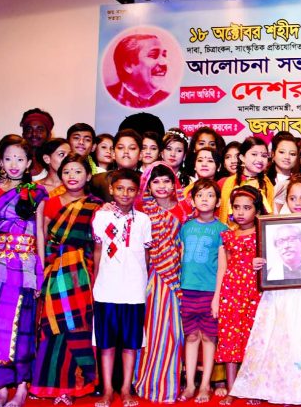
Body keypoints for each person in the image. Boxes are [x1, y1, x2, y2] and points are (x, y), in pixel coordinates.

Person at [230, 193, 301, 406]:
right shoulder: (271, 226)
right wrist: (258, 263)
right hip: (278, 294)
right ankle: (280, 389)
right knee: (279, 338)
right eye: (293, 199)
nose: (298, 203)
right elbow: (260, 257)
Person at [0, 135, 49, 407]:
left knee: (23, 325)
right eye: (8, 158)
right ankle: (1, 388)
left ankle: (21, 388)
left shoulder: (37, 193)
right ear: (1, 162)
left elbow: (39, 231)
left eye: (20, 158)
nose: (14, 164)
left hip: (24, 266)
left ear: (29, 162)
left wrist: (40, 269)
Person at [31, 154, 101, 403]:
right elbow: (42, 236)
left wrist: (96, 276)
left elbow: (97, 244)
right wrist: (41, 270)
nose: (72, 176)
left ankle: (73, 386)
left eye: (78, 171)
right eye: (67, 171)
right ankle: (51, 385)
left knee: (77, 326)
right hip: (54, 271)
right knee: (53, 326)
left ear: (89, 176)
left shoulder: (96, 205)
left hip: (81, 273)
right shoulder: (49, 202)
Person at [91, 168, 152, 407]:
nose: (125, 194)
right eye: (120, 188)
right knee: (105, 343)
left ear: (138, 192)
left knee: (130, 343)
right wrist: (96, 282)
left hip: (134, 290)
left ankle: (126, 388)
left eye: (130, 189)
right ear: (111, 189)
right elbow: (97, 252)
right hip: (106, 288)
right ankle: (107, 389)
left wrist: (140, 280)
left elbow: (146, 256)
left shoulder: (144, 220)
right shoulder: (101, 217)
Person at [134, 162, 191, 403]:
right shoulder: (141, 210)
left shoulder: (186, 210)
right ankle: (146, 383)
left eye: (166, 180)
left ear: (174, 182)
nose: (161, 186)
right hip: (150, 277)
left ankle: (168, 386)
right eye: (155, 181)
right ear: (147, 185)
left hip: (178, 277)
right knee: (151, 331)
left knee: (174, 333)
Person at [215, 186, 265, 406]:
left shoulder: (264, 233)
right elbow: (221, 268)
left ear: (257, 210)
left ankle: (254, 387)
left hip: (256, 293)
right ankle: (233, 388)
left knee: (254, 340)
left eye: (247, 207)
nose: (241, 212)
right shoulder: (227, 236)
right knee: (230, 340)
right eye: (237, 207)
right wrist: (217, 297)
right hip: (231, 293)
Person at [179, 178, 226, 403]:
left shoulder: (222, 229)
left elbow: (223, 268)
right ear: (192, 199)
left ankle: (205, 384)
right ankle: (189, 385)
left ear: (218, 202)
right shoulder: (185, 227)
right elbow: (180, 258)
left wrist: (217, 297)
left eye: (210, 195)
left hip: (209, 292)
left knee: (209, 337)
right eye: (200, 195)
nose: (205, 199)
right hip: (187, 291)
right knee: (191, 337)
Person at [216, 138, 273, 225]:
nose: (260, 159)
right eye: (254, 154)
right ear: (242, 157)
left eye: (264, 156)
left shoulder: (267, 183)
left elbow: (270, 213)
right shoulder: (225, 183)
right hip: (232, 233)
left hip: (259, 232)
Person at [107, 33, 170, 108]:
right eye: (153, 55)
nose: (164, 62)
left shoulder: (167, 99)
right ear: (128, 65)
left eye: (164, 55)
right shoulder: (108, 97)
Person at [89, 129, 142, 202]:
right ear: (113, 154)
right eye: (120, 148)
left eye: (132, 148)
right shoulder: (97, 181)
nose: (126, 152)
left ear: (140, 155)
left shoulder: (149, 181)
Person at [268, 132, 299, 212]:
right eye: (282, 152)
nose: (287, 157)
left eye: (292, 154)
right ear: (272, 154)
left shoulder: (300, 182)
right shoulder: (263, 181)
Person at [20, 108, 54, 178]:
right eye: (29, 129)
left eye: (40, 130)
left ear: (49, 135)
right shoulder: (14, 161)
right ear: (23, 134)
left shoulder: (54, 162)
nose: (34, 134)